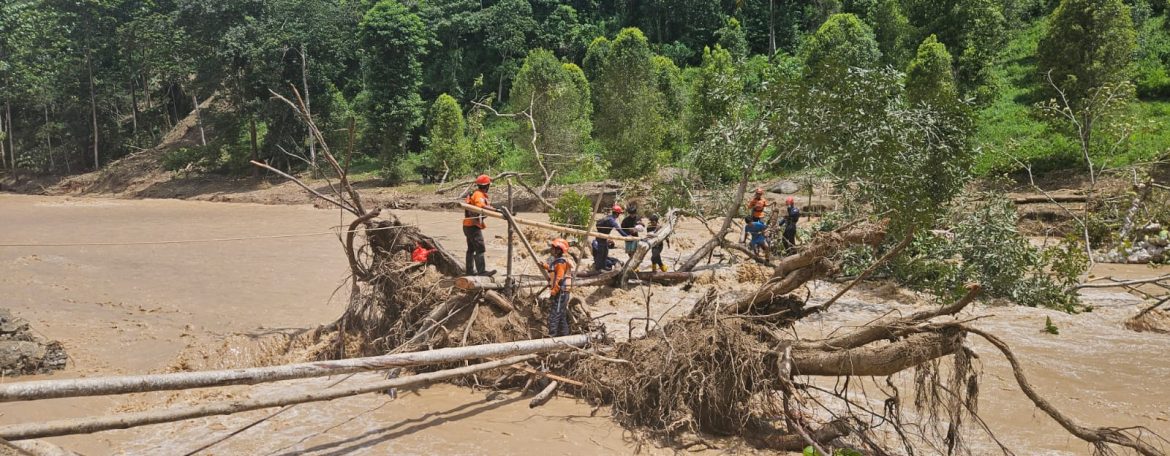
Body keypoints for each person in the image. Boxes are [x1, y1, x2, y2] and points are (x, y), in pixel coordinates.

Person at [462, 174, 498, 276]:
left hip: (468, 225)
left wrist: (496, 210)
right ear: (487, 186)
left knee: (471, 249)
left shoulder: (476, 194)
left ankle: (469, 271)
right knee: (480, 248)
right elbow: (480, 206)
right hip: (473, 226)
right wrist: (496, 210)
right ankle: (481, 271)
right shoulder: (478, 194)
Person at [546, 238, 574, 337]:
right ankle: (565, 336)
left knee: (554, 315)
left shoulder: (561, 263)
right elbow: (553, 269)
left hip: (561, 292)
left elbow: (559, 278)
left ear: (558, 250)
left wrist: (554, 291)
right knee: (561, 315)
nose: (551, 250)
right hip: (563, 292)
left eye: (553, 248)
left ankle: (551, 337)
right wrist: (545, 266)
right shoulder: (559, 262)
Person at [593, 205, 631, 271]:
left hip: (602, 238)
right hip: (601, 239)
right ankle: (598, 269)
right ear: (617, 213)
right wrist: (627, 236)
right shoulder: (611, 220)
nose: (619, 215)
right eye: (619, 213)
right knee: (601, 254)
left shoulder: (608, 217)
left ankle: (603, 267)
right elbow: (619, 230)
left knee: (605, 252)